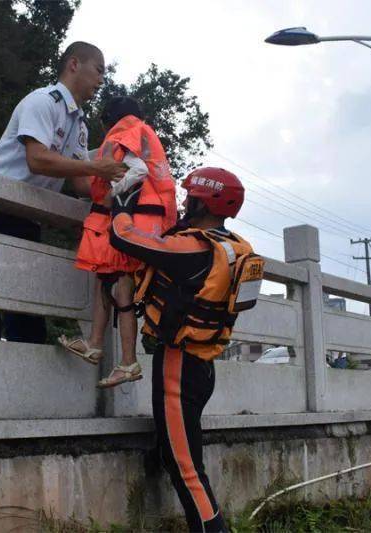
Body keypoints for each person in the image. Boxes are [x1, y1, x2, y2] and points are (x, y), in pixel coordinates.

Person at [109, 167, 264, 532]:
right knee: (177, 454)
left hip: (177, 366)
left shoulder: (193, 248)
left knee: (188, 470)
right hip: (202, 365)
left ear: (203, 203)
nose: (184, 202)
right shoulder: (233, 247)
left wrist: (121, 204)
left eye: (190, 197)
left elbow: (124, 237)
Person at [0, 41, 126, 343]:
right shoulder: (42, 101)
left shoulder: (80, 125)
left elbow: (81, 184)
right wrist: (96, 168)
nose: (102, 80)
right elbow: (37, 159)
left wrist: (121, 194)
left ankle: (24, 369)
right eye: (99, 70)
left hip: (28, 215)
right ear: (74, 64)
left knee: (27, 309)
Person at [58, 96, 176, 388]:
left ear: (109, 120)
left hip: (130, 220)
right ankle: (95, 344)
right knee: (106, 278)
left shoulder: (124, 132)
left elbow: (137, 171)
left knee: (122, 290)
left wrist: (112, 195)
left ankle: (127, 362)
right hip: (147, 221)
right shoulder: (144, 133)